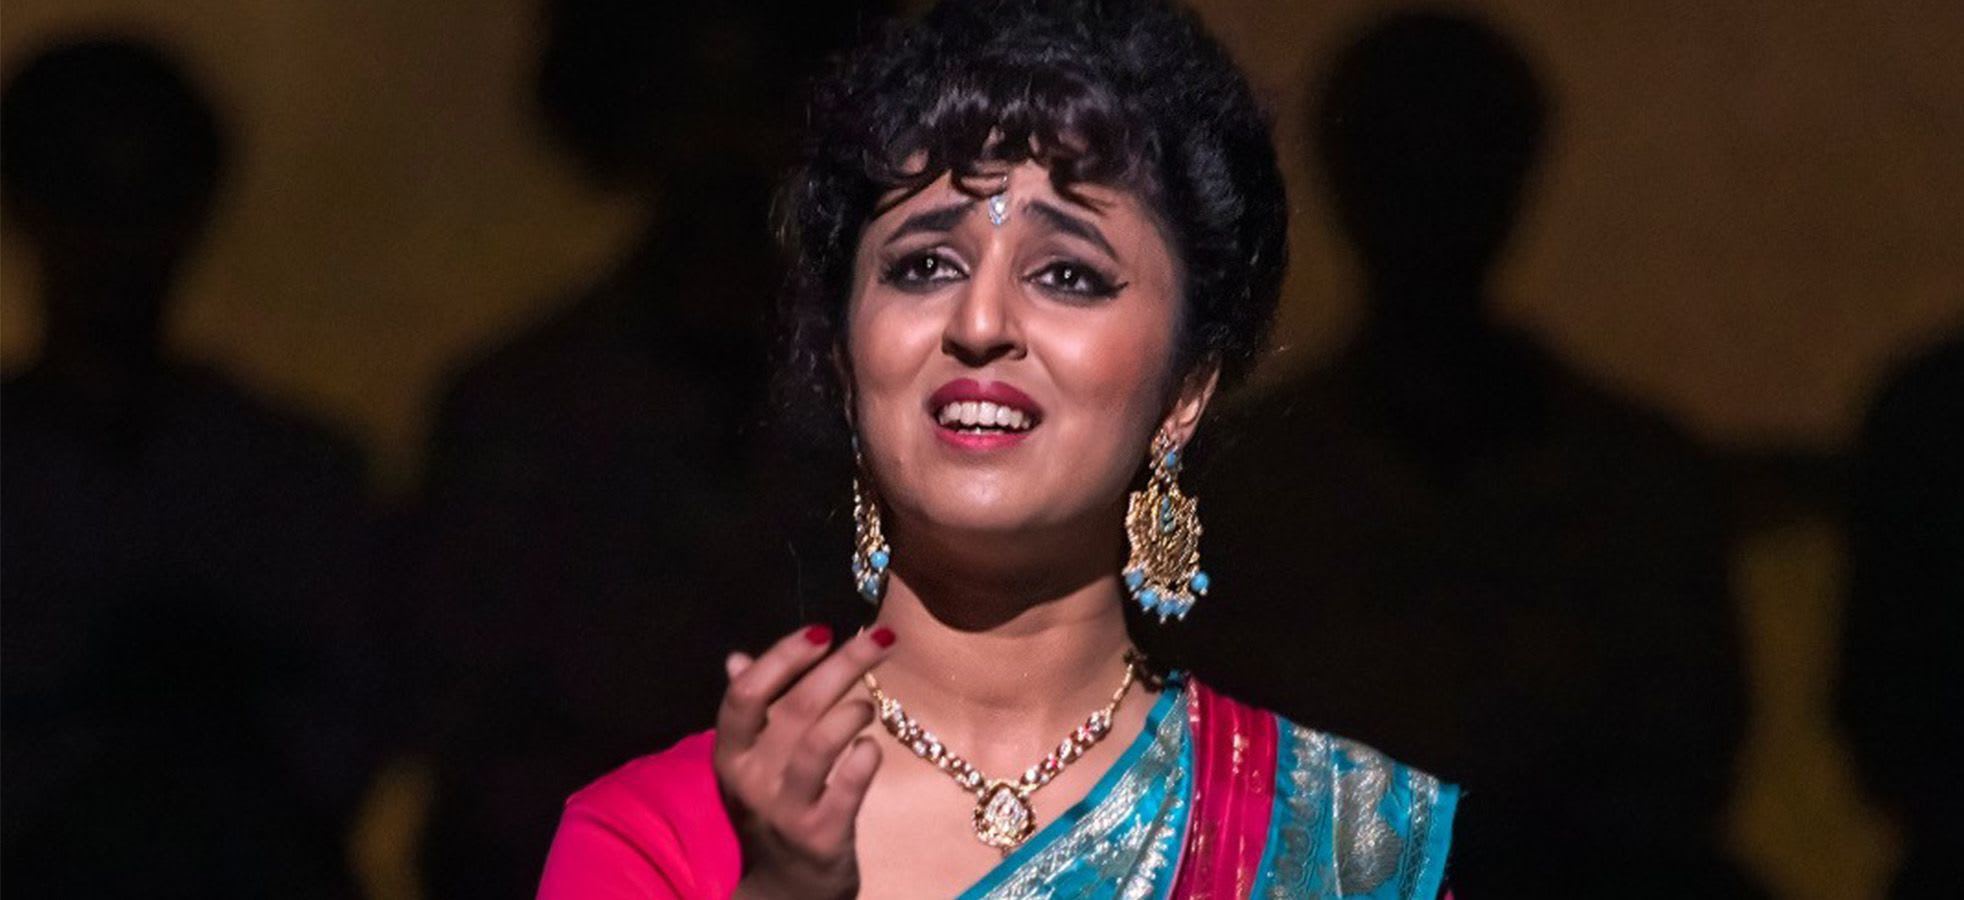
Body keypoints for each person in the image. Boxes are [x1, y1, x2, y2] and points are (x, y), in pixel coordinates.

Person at [536, 1, 1457, 896]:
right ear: (844, 362)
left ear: (1185, 391)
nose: (979, 325)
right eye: (922, 266)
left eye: (1068, 275)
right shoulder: (656, 838)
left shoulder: (1338, 847)